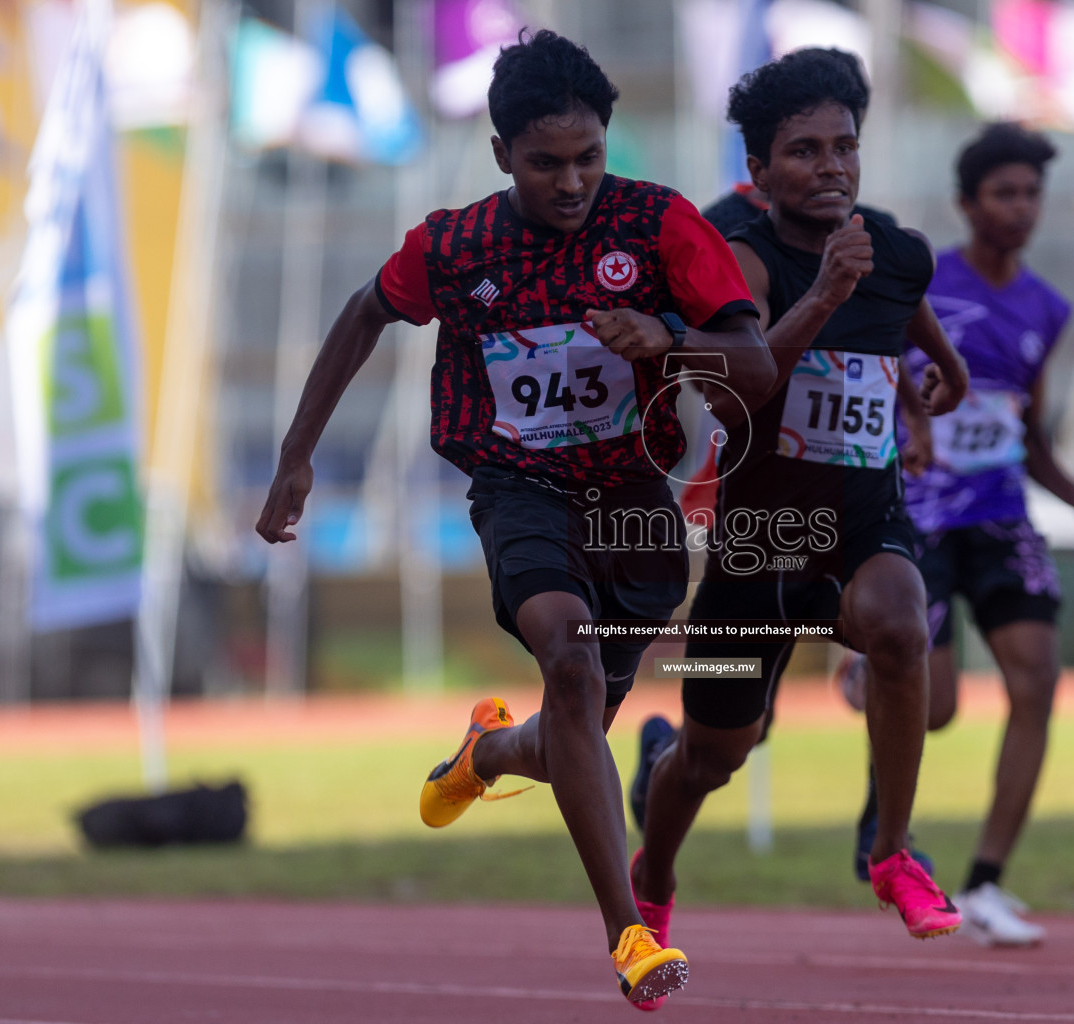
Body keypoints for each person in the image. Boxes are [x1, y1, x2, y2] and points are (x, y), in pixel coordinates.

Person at [254, 29, 773, 1009]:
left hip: (634, 507)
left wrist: (669, 337)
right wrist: (295, 456)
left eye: (588, 157)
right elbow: (366, 311)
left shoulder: (657, 226)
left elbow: (755, 366)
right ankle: (627, 932)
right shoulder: (456, 246)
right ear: (501, 154)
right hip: (519, 492)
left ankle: (489, 750)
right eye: (546, 162)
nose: (572, 180)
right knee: (569, 661)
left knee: (568, 725)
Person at [628, 48, 972, 962]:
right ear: (759, 172)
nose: (830, 166)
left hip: (862, 522)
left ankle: (892, 852)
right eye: (805, 150)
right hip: (762, 540)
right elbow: (742, 388)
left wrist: (938, 378)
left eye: (844, 147)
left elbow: (909, 321)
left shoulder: (892, 252)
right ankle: (652, 876)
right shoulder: (742, 265)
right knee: (711, 760)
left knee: (902, 629)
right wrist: (825, 292)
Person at [839, 121, 1074, 947]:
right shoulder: (927, 283)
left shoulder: (1046, 309)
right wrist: (904, 420)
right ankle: (876, 790)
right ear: (968, 203)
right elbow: (867, 371)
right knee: (940, 705)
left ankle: (988, 881)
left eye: (1032, 193)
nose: (1021, 208)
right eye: (1004, 192)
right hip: (917, 511)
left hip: (999, 515)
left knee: (1037, 677)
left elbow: (1029, 435)